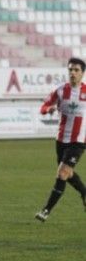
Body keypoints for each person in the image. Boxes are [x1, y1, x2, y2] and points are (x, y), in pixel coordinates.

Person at [35, 57, 86, 222]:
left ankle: (46, 210)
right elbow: (43, 107)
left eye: (76, 70)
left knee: (62, 172)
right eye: (70, 69)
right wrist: (48, 109)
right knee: (68, 173)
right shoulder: (60, 91)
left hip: (79, 141)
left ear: (82, 73)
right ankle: (85, 193)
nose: (72, 73)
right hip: (61, 140)